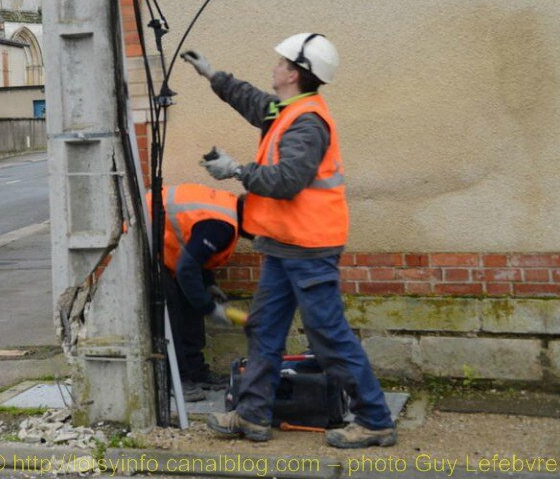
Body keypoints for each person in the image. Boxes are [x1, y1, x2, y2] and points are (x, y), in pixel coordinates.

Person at [183, 33, 396, 449]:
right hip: (284, 246)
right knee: (264, 329)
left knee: (328, 335)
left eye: (281, 62)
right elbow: (256, 103)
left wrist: (236, 170)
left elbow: (287, 181)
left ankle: (375, 419)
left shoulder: (308, 122)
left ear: (295, 73)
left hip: (310, 248)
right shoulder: (289, 109)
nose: (275, 66)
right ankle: (251, 416)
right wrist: (213, 75)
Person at [148, 184, 245, 402]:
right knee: (171, 309)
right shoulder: (222, 226)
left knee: (190, 302)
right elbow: (186, 267)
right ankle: (175, 379)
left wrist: (207, 283)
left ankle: (196, 372)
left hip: (161, 243)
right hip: (141, 239)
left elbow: (196, 252)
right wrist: (210, 308)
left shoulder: (228, 212)